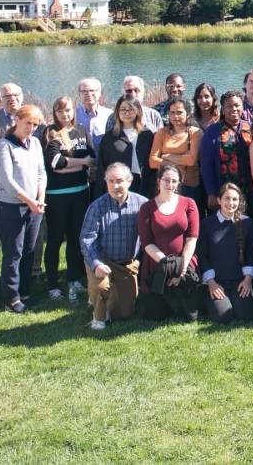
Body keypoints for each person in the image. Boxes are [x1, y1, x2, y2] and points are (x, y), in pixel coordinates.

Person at [80, 163, 148, 330]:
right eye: (110, 181)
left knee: (125, 313)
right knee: (101, 286)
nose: (115, 186)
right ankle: (98, 314)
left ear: (129, 181)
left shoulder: (142, 204)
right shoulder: (97, 207)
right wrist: (96, 264)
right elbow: (87, 239)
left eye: (119, 181)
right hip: (102, 259)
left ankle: (109, 298)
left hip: (127, 263)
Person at [0, 104, 48, 313]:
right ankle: (11, 297)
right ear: (17, 120)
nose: (31, 128)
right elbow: (8, 181)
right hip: (11, 207)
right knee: (13, 252)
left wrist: (40, 197)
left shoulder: (34, 143)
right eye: (28, 123)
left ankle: (25, 292)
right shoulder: (4, 146)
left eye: (35, 125)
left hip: (34, 208)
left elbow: (41, 173)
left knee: (29, 250)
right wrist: (29, 201)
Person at [42, 96, 95, 303]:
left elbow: (92, 158)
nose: (65, 114)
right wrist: (81, 163)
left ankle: (74, 278)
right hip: (57, 197)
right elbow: (55, 162)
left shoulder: (81, 130)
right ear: (55, 113)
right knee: (55, 240)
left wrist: (72, 165)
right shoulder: (50, 132)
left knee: (75, 238)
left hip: (80, 192)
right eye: (61, 111)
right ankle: (52, 284)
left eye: (69, 110)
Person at [136, 164, 203, 321]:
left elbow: (192, 238)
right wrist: (167, 266)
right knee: (155, 316)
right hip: (157, 265)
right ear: (158, 181)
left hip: (184, 263)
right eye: (166, 180)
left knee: (190, 317)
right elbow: (147, 243)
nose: (170, 185)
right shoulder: (146, 208)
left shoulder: (189, 203)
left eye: (174, 181)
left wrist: (181, 268)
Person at [197, 183, 253, 323]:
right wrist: (211, 283)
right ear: (219, 200)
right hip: (216, 281)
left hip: (239, 281)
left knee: (246, 315)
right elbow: (202, 255)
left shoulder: (247, 222)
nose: (231, 203)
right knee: (223, 316)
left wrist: (248, 279)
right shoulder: (207, 224)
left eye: (235, 199)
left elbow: (250, 254)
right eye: (227, 198)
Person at [200, 90, 253, 215]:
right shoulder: (212, 131)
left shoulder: (251, 128)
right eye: (229, 106)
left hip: (249, 189)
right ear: (223, 109)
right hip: (223, 190)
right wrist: (211, 193)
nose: (234, 109)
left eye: (237, 105)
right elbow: (206, 165)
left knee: (247, 223)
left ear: (243, 107)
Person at [97, 95, 156, 199]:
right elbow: (102, 166)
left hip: (144, 183)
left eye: (131, 109)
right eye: (123, 109)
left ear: (138, 111)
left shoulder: (147, 135)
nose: (127, 113)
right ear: (117, 112)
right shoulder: (110, 137)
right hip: (119, 184)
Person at [151, 98, 203, 206]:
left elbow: (192, 160)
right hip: (166, 184)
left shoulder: (195, 132)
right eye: (172, 113)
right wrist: (180, 160)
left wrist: (167, 156)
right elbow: (152, 161)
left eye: (179, 112)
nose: (175, 116)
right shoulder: (161, 133)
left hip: (189, 186)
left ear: (188, 114)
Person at [75, 77, 113, 148]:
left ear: (99, 92)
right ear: (79, 94)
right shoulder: (73, 115)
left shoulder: (110, 115)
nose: (88, 94)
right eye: (84, 91)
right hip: (80, 157)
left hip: (103, 158)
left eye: (92, 90)